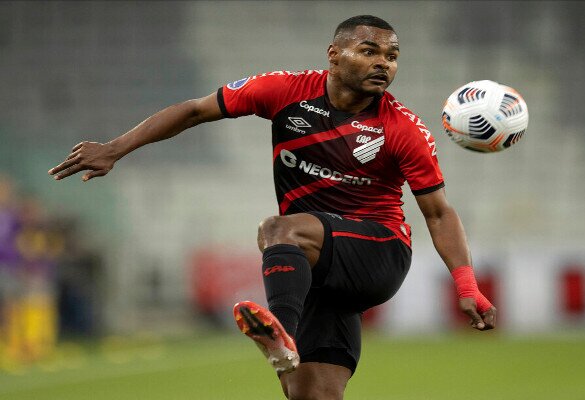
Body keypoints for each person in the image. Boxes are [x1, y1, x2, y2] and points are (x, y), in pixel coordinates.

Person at [49, 15, 496, 400]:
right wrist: (115, 148)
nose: (384, 63)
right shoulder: (284, 91)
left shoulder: (402, 129)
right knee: (310, 392)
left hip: (377, 251)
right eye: (370, 51)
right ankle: (285, 341)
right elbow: (193, 111)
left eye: (393, 56)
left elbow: (438, 212)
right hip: (320, 269)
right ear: (334, 55)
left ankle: (278, 330)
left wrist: (466, 285)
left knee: (277, 229)